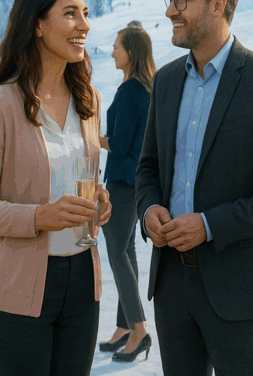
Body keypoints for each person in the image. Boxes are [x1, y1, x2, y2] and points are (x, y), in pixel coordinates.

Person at [135, 0, 253, 376]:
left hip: (239, 286)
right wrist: (148, 209)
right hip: (171, 283)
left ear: (217, 4)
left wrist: (209, 224)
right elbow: (148, 169)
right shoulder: (167, 80)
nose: (170, 10)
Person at [0, 0, 112, 376]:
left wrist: (99, 200)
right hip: (18, 287)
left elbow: (82, 178)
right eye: (70, 14)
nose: (84, 25)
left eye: (85, 13)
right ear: (38, 24)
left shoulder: (90, 100)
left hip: (83, 278)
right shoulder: (0, 104)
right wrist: (38, 217)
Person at [97, 26, 154, 362]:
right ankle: (124, 327)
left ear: (131, 51)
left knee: (117, 252)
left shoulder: (132, 90)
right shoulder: (144, 87)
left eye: (116, 46)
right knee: (126, 251)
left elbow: (118, 144)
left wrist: (94, 139)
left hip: (122, 181)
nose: (113, 52)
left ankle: (139, 330)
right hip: (134, 181)